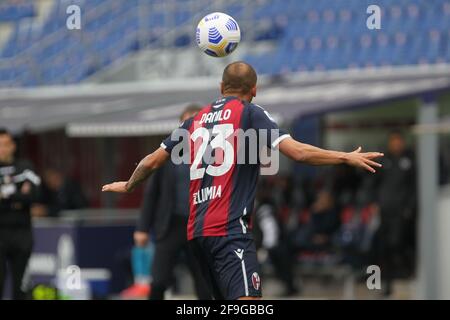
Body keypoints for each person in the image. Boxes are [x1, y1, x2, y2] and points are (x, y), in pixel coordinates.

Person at [102, 61, 383, 300]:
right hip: (229, 232)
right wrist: (344, 157)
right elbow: (297, 152)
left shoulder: (194, 120)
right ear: (254, 90)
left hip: (196, 234)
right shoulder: (250, 113)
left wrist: (128, 185)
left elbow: (151, 161)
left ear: (221, 88)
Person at [126, 105, 211, 300]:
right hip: (170, 225)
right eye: (186, 123)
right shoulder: (168, 153)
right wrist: (142, 228)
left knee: (205, 284)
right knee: (158, 281)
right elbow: (152, 194)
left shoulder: (215, 155)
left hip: (200, 227)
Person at [372, 131, 416, 296]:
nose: (396, 144)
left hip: (402, 212)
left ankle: (408, 273)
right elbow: (374, 183)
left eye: (399, 141)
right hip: (385, 211)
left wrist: (409, 208)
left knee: (397, 243)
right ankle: (386, 284)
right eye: (393, 141)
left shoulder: (410, 161)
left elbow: (414, 187)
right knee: (385, 247)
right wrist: (375, 203)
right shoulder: (384, 160)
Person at [0, 128, 43, 299]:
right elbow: (24, 196)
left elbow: (35, 194)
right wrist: (18, 195)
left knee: (20, 287)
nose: (2, 149)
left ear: (13, 146)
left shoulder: (25, 167)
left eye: (5, 144)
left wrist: (5, 195)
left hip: (22, 235)